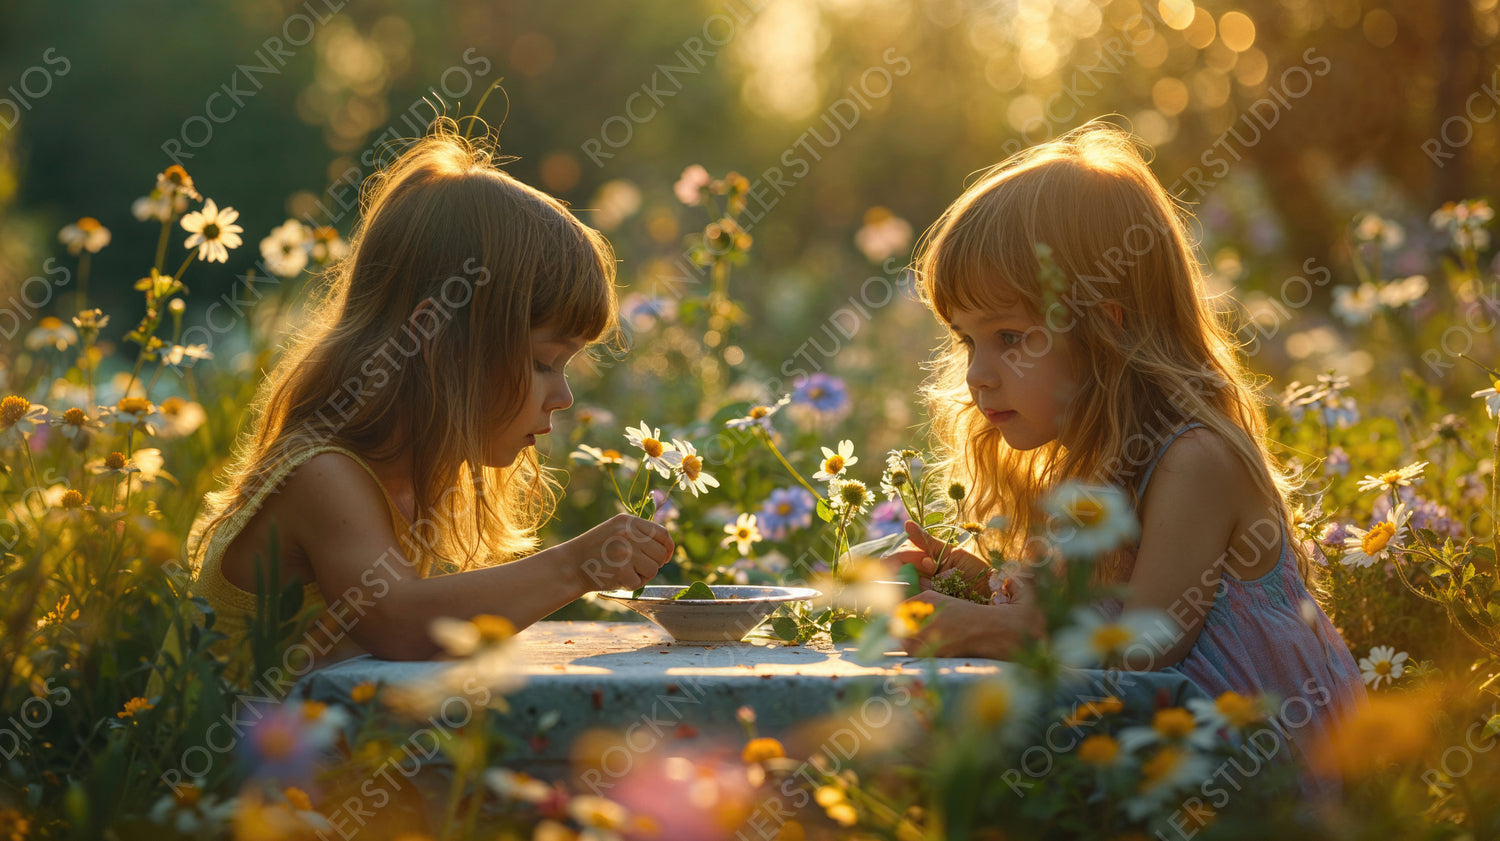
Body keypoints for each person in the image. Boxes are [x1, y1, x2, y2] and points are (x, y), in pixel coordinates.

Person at [886, 120, 1365, 791]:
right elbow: (1078, 621)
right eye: (967, 341)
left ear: (1105, 327)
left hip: (1272, 798)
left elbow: (1140, 651)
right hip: (1172, 786)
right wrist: (972, 580)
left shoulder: (1194, 459)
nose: (977, 375)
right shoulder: (1089, 465)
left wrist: (992, 633)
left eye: (1010, 336)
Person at [172, 118, 671, 680]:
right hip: (217, 765)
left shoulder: (408, 480)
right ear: (436, 337)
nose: (562, 396)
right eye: (542, 362)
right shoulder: (322, 475)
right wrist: (575, 566)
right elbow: (398, 623)